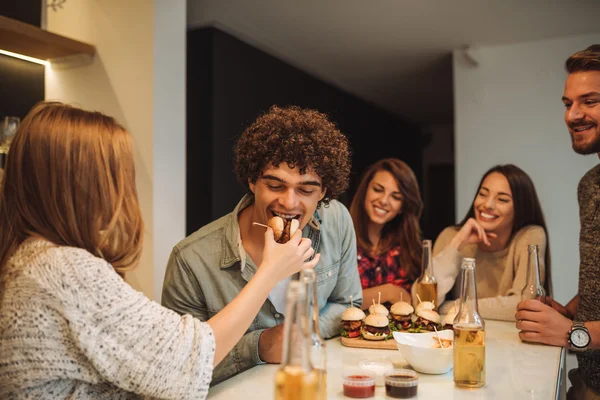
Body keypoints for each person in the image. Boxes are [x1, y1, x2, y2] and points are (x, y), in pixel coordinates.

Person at [0, 102, 319, 399]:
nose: (124, 190)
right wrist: (269, 273)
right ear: (81, 186)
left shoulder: (32, 259)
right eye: (117, 175)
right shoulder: (61, 269)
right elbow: (181, 363)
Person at [161, 105, 362, 384]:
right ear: (252, 181)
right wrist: (260, 346)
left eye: (305, 190)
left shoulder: (336, 221)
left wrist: (305, 331)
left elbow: (348, 303)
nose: (290, 203)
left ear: (323, 192)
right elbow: (174, 372)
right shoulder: (191, 260)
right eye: (276, 186)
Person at [516, 44, 600, 399]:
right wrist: (567, 311)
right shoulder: (590, 185)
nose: (572, 115)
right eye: (568, 104)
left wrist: (570, 333)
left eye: (590, 101)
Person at [431, 164, 551, 321]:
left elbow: (525, 304)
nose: (487, 205)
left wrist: (450, 307)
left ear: (520, 207)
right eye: (482, 194)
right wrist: (457, 245)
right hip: (459, 338)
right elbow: (424, 301)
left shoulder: (529, 236)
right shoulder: (451, 236)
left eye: (502, 199)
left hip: (513, 342)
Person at [349, 158, 423, 310]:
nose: (383, 201)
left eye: (396, 197)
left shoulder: (405, 246)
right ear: (365, 190)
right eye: (378, 189)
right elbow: (336, 302)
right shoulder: (342, 237)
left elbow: (416, 299)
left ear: (402, 207)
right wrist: (388, 291)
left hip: (398, 332)